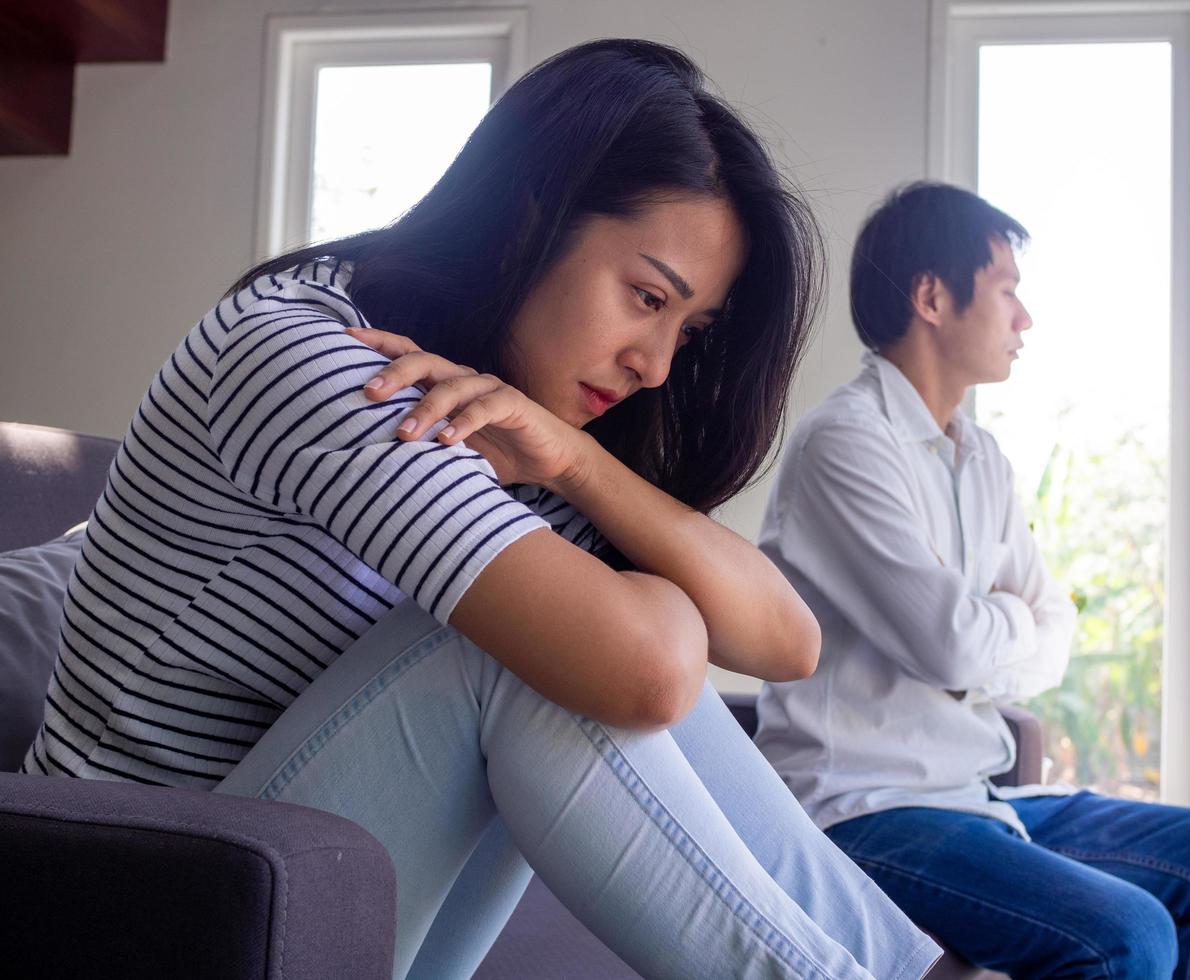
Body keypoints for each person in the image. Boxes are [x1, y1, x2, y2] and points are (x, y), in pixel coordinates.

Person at [19, 40, 944, 980]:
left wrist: (581, 466)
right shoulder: (314, 362)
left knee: (568, 641)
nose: (656, 364)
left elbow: (786, 643)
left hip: (290, 897)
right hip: (126, 912)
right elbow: (648, 673)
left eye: (687, 330)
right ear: (528, 221)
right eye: (645, 296)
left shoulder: (508, 430)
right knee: (518, 657)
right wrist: (644, 605)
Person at [753, 180, 1190, 978]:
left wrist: (1000, 624)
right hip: (865, 809)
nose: (1023, 320)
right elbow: (953, 650)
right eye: (1006, 291)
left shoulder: (982, 458)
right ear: (931, 296)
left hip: (977, 797)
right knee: (1124, 934)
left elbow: (1050, 635)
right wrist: (1003, 623)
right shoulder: (846, 445)